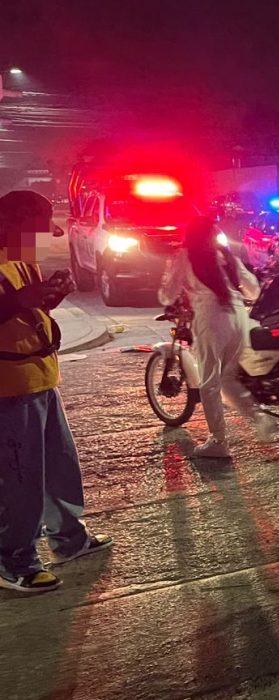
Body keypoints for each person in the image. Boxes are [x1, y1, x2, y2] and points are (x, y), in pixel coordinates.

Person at [0, 190, 112, 593]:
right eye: (38, 228)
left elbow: (32, 310)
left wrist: (51, 296)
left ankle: (69, 538)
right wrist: (17, 302)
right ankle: (14, 561)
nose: (47, 237)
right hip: (8, 389)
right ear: (12, 224)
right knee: (19, 479)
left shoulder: (21, 258)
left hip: (41, 379)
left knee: (58, 466)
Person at [160, 218, 277, 458]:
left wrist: (167, 292)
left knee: (209, 382)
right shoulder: (227, 255)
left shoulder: (186, 256)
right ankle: (261, 419)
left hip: (211, 319)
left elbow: (168, 294)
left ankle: (218, 441)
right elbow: (253, 290)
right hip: (238, 317)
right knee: (227, 377)